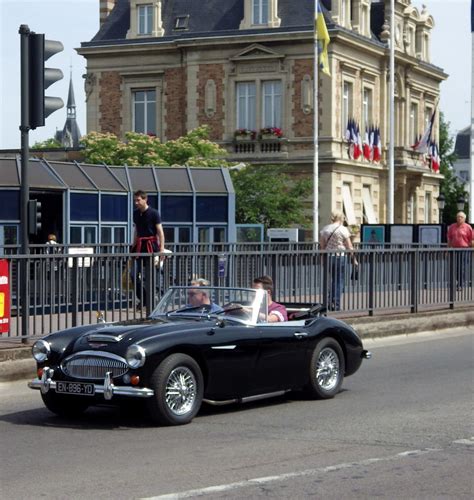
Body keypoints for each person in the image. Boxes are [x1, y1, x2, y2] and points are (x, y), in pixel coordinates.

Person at [131, 190, 165, 309]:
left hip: (151, 246)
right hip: (139, 247)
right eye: (135, 200)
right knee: (133, 275)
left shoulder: (154, 213)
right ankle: (144, 298)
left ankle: (151, 301)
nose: (136, 202)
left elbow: (160, 232)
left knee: (152, 276)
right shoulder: (135, 213)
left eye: (138, 200)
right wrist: (133, 246)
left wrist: (161, 249)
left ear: (145, 200)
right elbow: (136, 230)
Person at [320, 211, 358, 311]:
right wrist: (354, 259)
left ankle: (329, 301)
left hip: (328, 257)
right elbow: (349, 246)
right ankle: (335, 303)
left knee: (332, 279)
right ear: (342, 219)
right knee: (339, 280)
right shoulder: (343, 229)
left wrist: (321, 258)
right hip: (339, 256)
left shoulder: (325, 229)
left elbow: (322, 246)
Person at [447, 211, 473, 290]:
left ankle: (461, 284)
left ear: (464, 219)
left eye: (461, 217)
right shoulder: (452, 227)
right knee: (454, 267)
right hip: (454, 249)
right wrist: (448, 249)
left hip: (464, 249)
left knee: (462, 267)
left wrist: (471, 248)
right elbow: (449, 238)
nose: (459, 218)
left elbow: (471, 239)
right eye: (458, 217)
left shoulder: (468, 227)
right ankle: (455, 282)